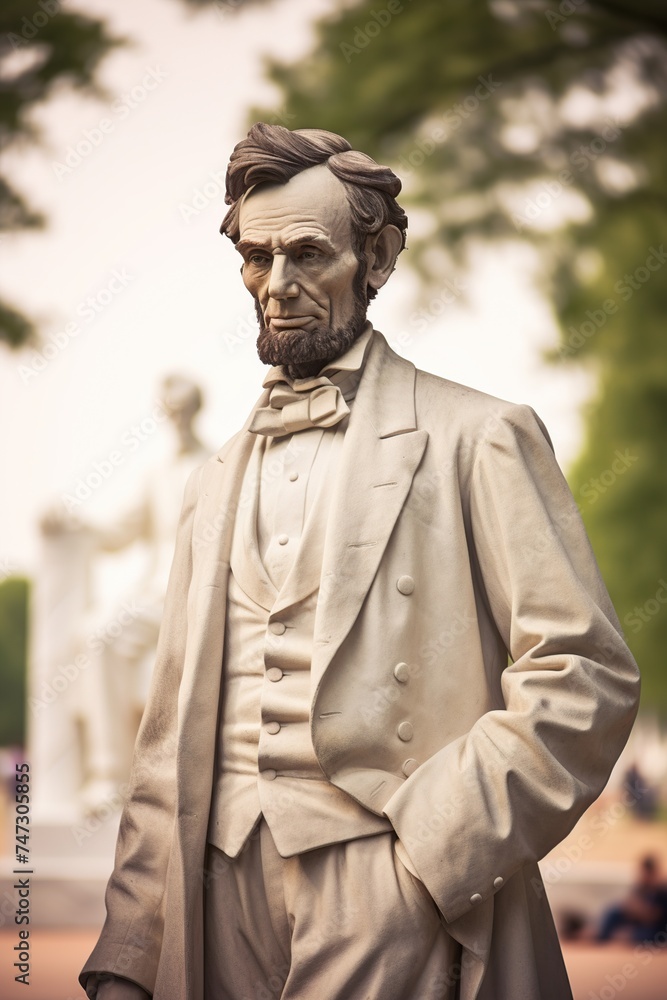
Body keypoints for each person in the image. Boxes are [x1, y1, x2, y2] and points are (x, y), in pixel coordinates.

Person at [80, 123, 640, 1000]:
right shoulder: (211, 479)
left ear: (374, 258)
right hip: (214, 892)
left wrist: (432, 848)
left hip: (395, 884)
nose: (279, 285)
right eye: (256, 258)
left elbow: (583, 675)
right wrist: (129, 951)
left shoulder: (479, 436)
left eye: (308, 253)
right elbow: (166, 746)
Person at [598, 855, 667, 944]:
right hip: (639, 922)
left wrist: (638, 911)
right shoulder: (641, 887)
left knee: (640, 935)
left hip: (656, 929)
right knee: (613, 911)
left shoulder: (661, 890)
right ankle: (601, 935)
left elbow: (654, 917)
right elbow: (629, 904)